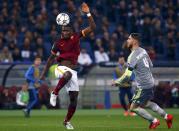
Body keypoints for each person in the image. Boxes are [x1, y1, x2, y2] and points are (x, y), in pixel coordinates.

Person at [40, 2, 96, 130]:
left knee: (74, 99)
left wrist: (87, 13)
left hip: (72, 71)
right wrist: (43, 74)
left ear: (71, 31)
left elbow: (92, 27)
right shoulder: (58, 43)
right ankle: (55, 93)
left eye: (66, 30)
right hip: (61, 69)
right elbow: (50, 60)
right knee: (67, 74)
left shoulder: (76, 36)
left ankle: (66, 121)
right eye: (63, 30)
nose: (64, 32)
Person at [112, 33, 173, 129]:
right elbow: (150, 65)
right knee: (146, 103)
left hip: (143, 85)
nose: (127, 41)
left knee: (133, 108)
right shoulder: (143, 51)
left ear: (135, 41)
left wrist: (117, 82)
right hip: (151, 82)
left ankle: (154, 121)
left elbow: (127, 76)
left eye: (129, 39)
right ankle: (167, 116)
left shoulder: (132, 56)